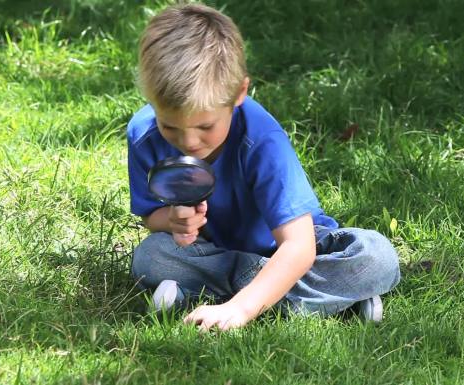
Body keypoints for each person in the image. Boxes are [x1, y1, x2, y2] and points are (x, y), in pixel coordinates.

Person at [127, 3, 400, 331]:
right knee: (150, 257)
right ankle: (332, 302)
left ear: (239, 93)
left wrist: (242, 308)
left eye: (205, 127)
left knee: (376, 257)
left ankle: (210, 297)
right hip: (216, 249)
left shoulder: (261, 140)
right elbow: (150, 215)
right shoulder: (144, 134)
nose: (189, 142)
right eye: (171, 127)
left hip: (289, 246)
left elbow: (299, 246)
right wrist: (173, 221)